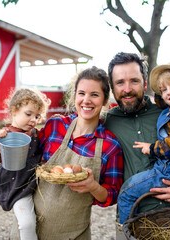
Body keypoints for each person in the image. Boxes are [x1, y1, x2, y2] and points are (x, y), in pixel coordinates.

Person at [104, 52, 170, 230]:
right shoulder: (107, 121)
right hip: (134, 221)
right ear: (112, 87)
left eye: (134, 81)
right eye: (120, 82)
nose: (127, 89)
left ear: (145, 83)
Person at [33, 66, 124, 239]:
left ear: (105, 101)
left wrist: (93, 187)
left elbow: (113, 194)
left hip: (74, 233)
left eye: (94, 95)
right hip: (30, 228)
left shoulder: (110, 146)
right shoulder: (55, 126)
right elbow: (28, 154)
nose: (86, 100)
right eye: (81, 93)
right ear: (75, 96)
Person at [0, 87, 51, 240]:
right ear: (14, 111)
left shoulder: (36, 134)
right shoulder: (7, 135)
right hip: (16, 186)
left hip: (33, 182)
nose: (33, 120)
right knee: (27, 223)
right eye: (28, 114)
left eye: (37, 116)